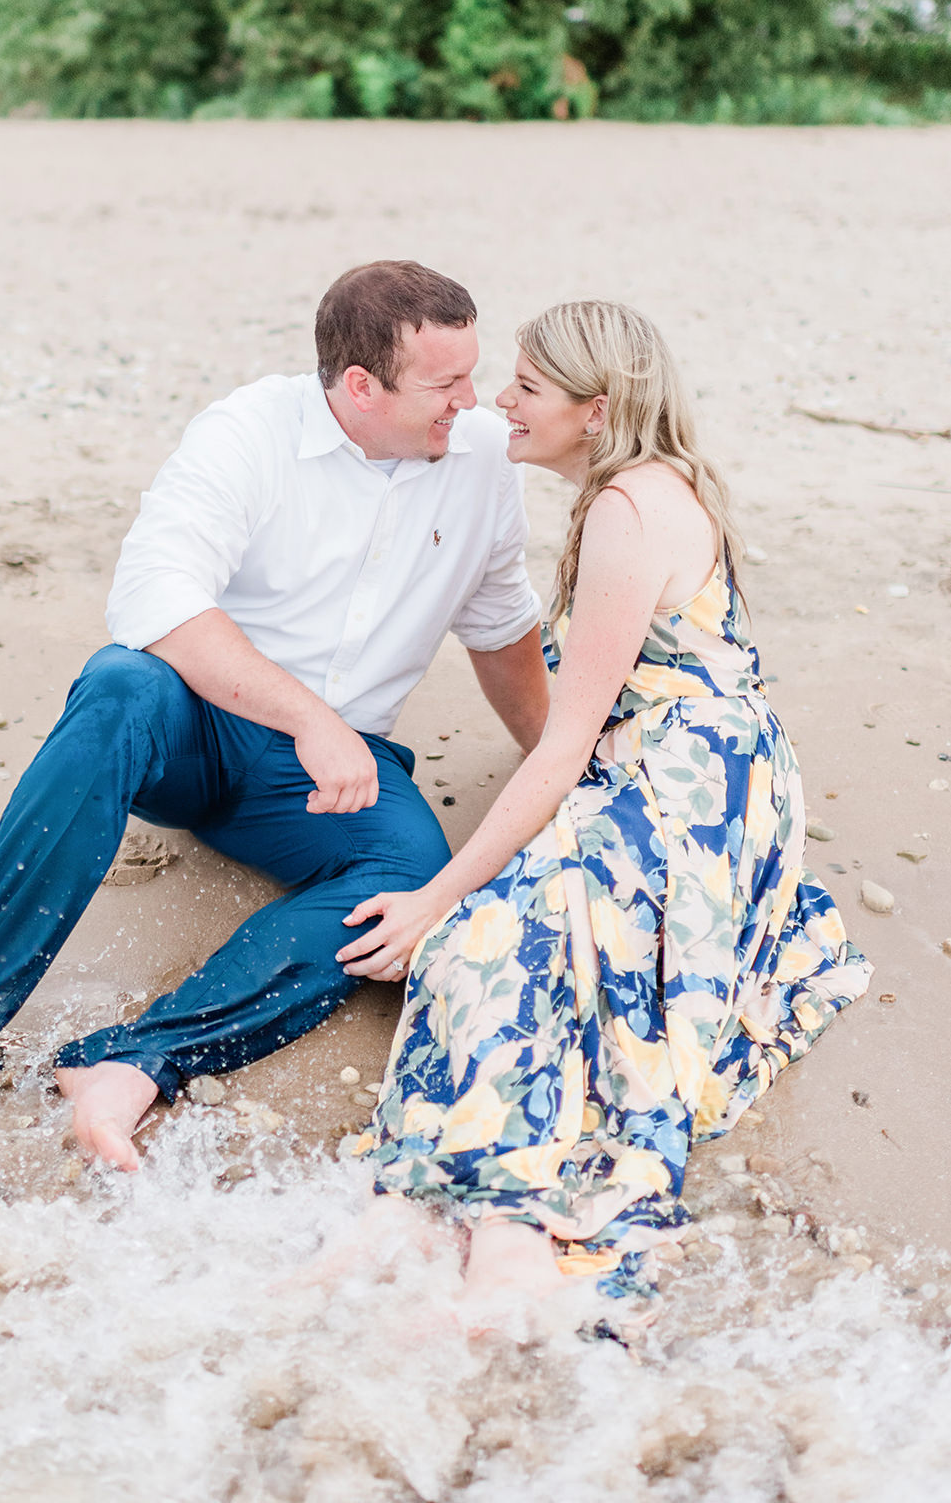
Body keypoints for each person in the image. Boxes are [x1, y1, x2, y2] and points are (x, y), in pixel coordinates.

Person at [0, 260, 549, 1170]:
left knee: (410, 878)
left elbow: (501, 630)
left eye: (473, 373)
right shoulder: (250, 431)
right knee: (120, 683)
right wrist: (308, 718)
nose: (475, 399)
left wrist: (561, 763)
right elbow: (156, 596)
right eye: (446, 383)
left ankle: (136, 1061)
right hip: (199, 730)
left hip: (323, 782)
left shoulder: (482, 457)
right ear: (360, 386)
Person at [342, 300, 871, 1304]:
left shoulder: (628, 510)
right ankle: (442, 1218)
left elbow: (561, 746)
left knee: (484, 938)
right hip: (705, 765)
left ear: (595, 410)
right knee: (524, 938)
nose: (501, 403)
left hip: (690, 786)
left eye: (527, 388)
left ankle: (481, 1221)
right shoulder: (632, 489)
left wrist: (434, 897)